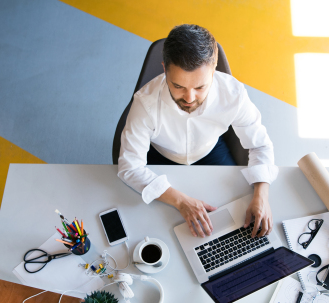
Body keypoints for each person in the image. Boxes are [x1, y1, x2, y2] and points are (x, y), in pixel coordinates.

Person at [118, 24, 278, 239]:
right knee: (159, 227)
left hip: (211, 150)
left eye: (200, 87)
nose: (189, 98)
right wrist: (181, 201)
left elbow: (259, 144)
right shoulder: (145, 103)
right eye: (178, 86)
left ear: (213, 70)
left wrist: (262, 194)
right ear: (165, 69)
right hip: (161, 155)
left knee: (235, 216)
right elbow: (129, 166)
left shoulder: (234, 94)